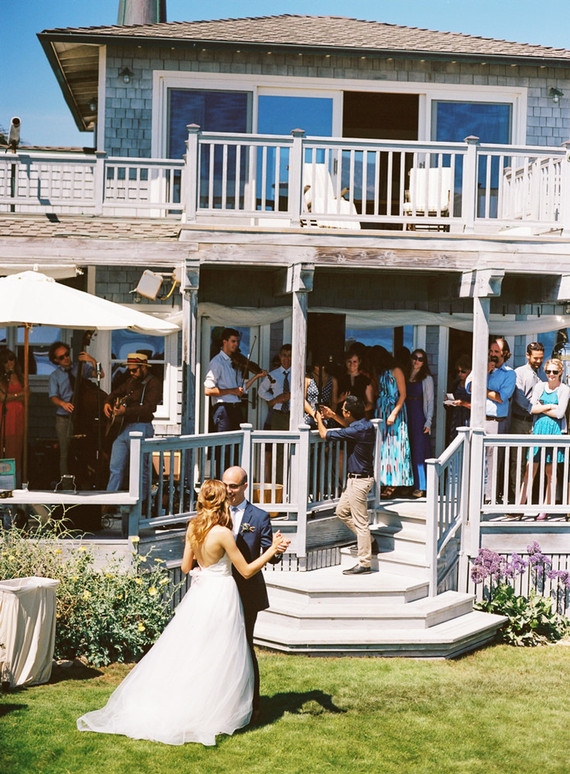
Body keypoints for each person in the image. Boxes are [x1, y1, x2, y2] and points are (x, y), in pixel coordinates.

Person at [77, 479, 289, 746]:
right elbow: (246, 571)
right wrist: (271, 550)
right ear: (222, 500)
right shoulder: (223, 532)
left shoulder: (193, 527)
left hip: (200, 594)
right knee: (222, 652)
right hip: (221, 593)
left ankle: (190, 702)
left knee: (195, 650)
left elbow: (187, 567)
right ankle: (212, 709)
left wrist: (205, 567)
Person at [221, 465, 284, 722]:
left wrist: (277, 549)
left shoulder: (259, 517)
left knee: (245, 645)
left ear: (245, 486)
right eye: (225, 485)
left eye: (233, 486)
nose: (228, 491)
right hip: (221, 589)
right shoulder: (217, 512)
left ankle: (253, 703)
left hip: (248, 591)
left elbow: (272, 556)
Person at [316, 396, 376, 575]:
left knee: (361, 523)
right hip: (355, 479)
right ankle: (369, 541)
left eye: (343, 410)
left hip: (359, 481)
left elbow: (324, 434)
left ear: (349, 413)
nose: (342, 412)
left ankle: (365, 563)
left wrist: (319, 418)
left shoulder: (358, 430)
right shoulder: (365, 425)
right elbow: (349, 427)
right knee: (341, 511)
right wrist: (334, 415)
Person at [519, 358, 569, 520]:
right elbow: (531, 408)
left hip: (554, 432)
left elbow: (560, 414)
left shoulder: (564, 389)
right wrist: (550, 406)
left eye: (555, 372)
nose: (551, 375)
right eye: (548, 372)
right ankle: (519, 506)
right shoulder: (540, 386)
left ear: (560, 372)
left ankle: (545, 509)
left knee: (550, 473)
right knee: (529, 470)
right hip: (539, 430)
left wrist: (542, 407)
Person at [466, 336, 516, 502]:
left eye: (497, 351)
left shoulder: (510, 374)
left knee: (493, 463)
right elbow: (470, 387)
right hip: (478, 420)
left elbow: (502, 397)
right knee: (475, 460)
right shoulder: (479, 368)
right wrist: (485, 372)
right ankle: (473, 495)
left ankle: (489, 497)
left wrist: (482, 389)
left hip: (496, 422)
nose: (493, 354)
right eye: (491, 351)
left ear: (505, 353)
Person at [104, 353, 161, 494]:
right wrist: (107, 402)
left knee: (141, 469)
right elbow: (116, 392)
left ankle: (142, 504)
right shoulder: (130, 381)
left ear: (143, 367)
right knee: (115, 466)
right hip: (124, 428)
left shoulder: (154, 383)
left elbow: (149, 408)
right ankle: (109, 503)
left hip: (142, 426)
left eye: (134, 370)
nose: (131, 373)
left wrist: (126, 411)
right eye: (129, 370)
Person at [48, 340, 101, 477]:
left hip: (82, 418)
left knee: (84, 450)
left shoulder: (80, 368)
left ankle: (84, 480)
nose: (66, 358)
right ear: (55, 360)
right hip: (64, 418)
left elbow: (100, 375)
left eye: (67, 354)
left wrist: (92, 360)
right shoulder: (55, 376)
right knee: (65, 453)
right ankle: (66, 484)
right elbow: (53, 397)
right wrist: (63, 403)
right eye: (61, 357)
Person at [204, 328, 266, 432]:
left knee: (236, 444)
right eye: (233, 341)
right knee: (224, 445)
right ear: (225, 342)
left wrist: (256, 377)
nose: (236, 344)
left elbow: (241, 389)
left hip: (236, 408)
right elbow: (208, 390)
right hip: (223, 408)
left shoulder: (235, 361)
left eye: (237, 341)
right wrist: (232, 391)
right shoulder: (217, 362)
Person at [372, 346, 413, 498]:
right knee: (383, 447)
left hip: (394, 411)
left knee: (395, 446)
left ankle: (394, 482)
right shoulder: (381, 372)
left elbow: (403, 395)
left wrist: (394, 413)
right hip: (381, 410)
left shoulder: (396, 370)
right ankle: (384, 480)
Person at [508, 342, 545, 502]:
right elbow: (520, 398)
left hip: (535, 423)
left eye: (541, 358)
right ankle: (517, 499)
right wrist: (536, 408)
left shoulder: (541, 375)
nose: (538, 361)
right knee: (518, 461)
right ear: (528, 356)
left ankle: (529, 497)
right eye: (536, 358)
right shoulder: (520, 373)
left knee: (534, 461)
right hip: (521, 422)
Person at [406, 349, 434, 498]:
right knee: (407, 450)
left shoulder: (426, 378)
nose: (417, 361)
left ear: (424, 362)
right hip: (406, 413)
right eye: (415, 358)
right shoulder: (405, 375)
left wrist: (429, 420)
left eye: (420, 359)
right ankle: (407, 484)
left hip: (418, 414)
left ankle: (421, 486)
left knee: (418, 451)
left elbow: (430, 401)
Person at [0, 349, 26, 485]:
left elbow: (28, 393)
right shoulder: (2, 378)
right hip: (6, 416)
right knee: (6, 445)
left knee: (17, 447)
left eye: (11, 359)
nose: (9, 363)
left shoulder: (20, 375)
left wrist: (16, 396)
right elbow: (3, 396)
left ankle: (17, 480)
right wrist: (18, 395)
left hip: (19, 417)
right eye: (5, 361)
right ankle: (5, 480)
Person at [258, 344, 292, 431]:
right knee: (279, 442)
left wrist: (293, 396)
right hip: (278, 414)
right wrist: (275, 399)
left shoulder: (299, 374)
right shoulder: (273, 374)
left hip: (294, 413)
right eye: (284, 355)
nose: (287, 359)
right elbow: (261, 391)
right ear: (280, 356)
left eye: (290, 356)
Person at [337, 349, 374, 417]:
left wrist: (360, 410)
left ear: (359, 362)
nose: (352, 364)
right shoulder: (338, 379)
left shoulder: (365, 380)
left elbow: (370, 403)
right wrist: (340, 399)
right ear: (345, 362)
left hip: (359, 418)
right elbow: (331, 402)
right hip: (341, 416)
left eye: (355, 361)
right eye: (349, 361)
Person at [304, 363, 338, 428]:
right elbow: (303, 400)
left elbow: (334, 402)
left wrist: (329, 414)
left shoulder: (332, 380)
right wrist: (314, 414)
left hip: (326, 415)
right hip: (310, 415)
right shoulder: (307, 378)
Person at [446, 355, 471, 442]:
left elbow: (478, 406)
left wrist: (463, 403)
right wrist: (448, 402)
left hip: (469, 419)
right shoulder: (455, 384)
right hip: (456, 418)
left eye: (463, 371)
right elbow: (449, 405)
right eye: (458, 371)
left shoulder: (473, 385)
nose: (460, 374)